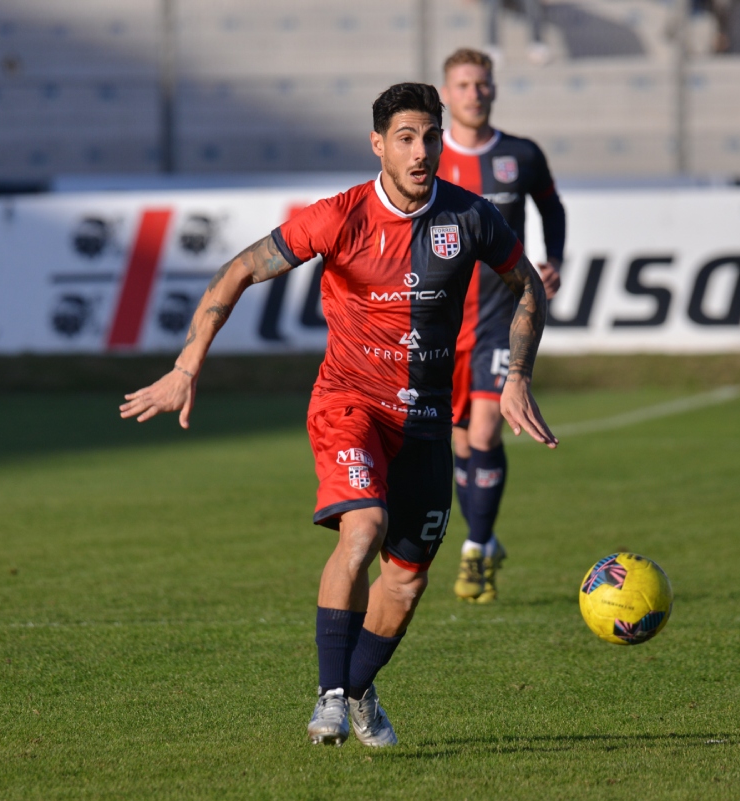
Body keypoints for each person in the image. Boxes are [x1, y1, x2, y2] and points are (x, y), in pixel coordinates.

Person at [119, 83, 557, 747]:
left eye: (430, 136)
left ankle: (358, 690)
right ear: (378, 143)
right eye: (405, 137)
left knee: (407, 582)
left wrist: (518, 374)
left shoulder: (469, 217)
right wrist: (187, 364)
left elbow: (527, 286)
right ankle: (329, 695)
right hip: (350, 404)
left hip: (428, 423)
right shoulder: (339, 216)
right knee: (363, 528)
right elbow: (239, 270)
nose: (420, 150)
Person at [436, 48, 566, 604]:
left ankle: (476, 549)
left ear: (493, 90)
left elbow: (551, 207)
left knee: (487, 431)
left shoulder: (520, 154)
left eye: (482, 84)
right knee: (462, 443)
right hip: (441, 322)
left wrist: (553, 256)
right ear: (446, 94)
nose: (474, 93)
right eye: (463, 85)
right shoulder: (425, 158)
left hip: (500, 316)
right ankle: (486, 542)